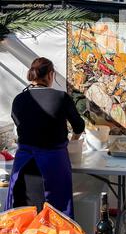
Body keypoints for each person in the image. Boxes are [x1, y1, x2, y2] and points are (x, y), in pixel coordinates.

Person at [5, 57, 85, 218]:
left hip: (24, 168)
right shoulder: (61, 97)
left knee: (23, 220)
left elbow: (19, 124)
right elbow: (79, 126)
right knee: (54, 220)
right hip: (53, 166)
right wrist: (73, 141)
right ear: (50, 75)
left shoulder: (19, 99)